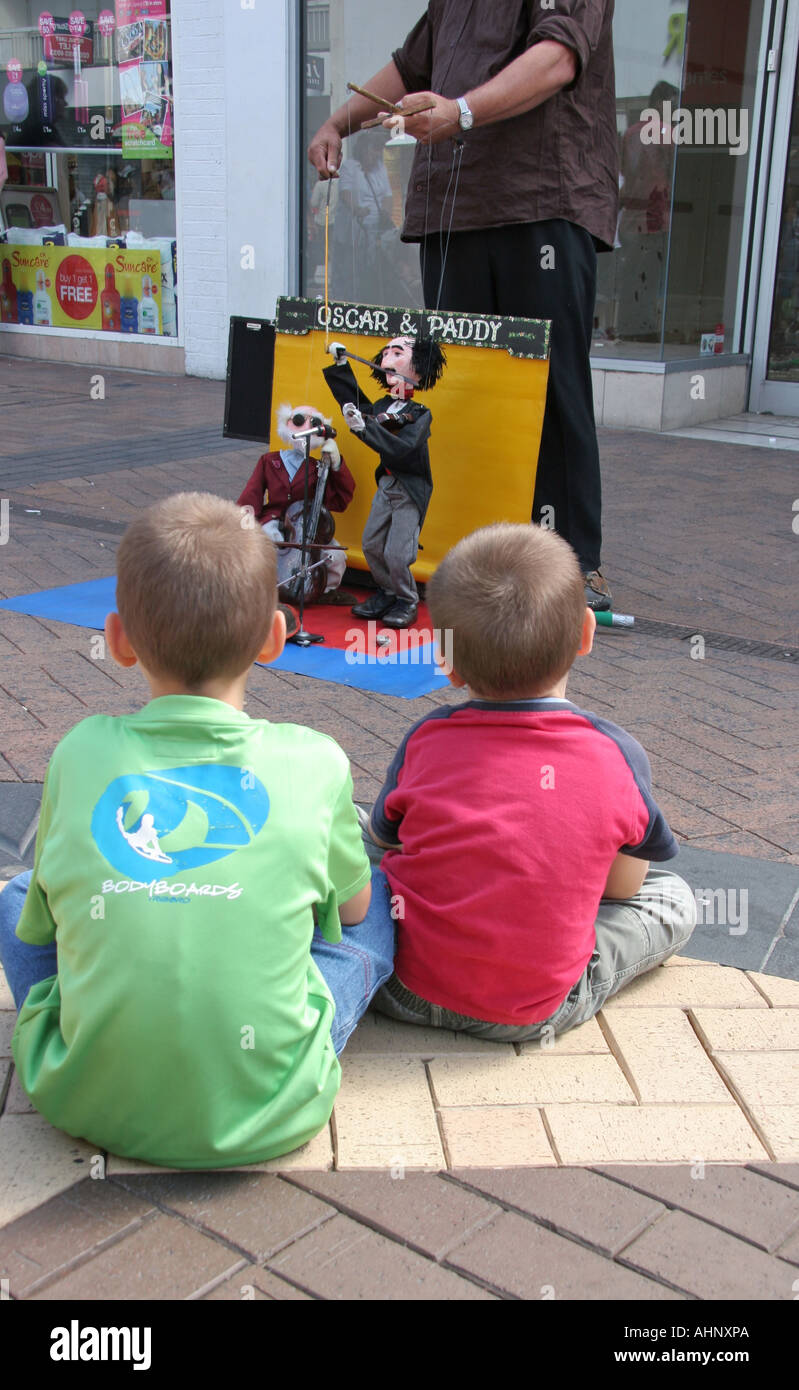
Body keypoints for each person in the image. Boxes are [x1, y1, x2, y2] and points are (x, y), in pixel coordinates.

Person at [0, 493, 396, 1168]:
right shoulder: (315, 760)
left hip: (80, 1098)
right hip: (274, 1108)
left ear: (119, 639)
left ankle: (98, 1026)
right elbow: (352, 916)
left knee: (18, 894)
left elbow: (40, 923)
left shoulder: (79, 750)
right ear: (275, 637)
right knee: (373, 904)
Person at [308, 1, 619, 612]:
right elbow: (407, 65)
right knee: (452, 386)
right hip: (455, 206)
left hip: (543, 199)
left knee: (552, 392)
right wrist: (338, 124)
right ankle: (470, 553)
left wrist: (463, 110)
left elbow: (557, 58)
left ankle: (572, 566)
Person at [365, 523, 696, 1039]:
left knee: (363, 827)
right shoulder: (617, 753)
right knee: (672, 896)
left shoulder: (428, 738)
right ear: (586, 633)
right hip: (534, 1009)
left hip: (403, 989)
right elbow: (623, 888)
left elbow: (385, 843)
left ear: (446, 662)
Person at [323, 333, 446, 628]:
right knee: (371, 544)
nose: (389, 359)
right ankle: (387, 592)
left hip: (410, 489)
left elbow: (401, 449)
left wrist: (364, 429)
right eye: (387, 353)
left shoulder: (419, 414)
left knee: (398, 552)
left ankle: (406, 600)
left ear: (417, 368)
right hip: (387, 485)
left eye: (398, 353)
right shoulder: (382, 406)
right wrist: (341, 365)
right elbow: (356, 403)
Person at [236, 403, 356, 602]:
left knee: (335, 557)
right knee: (268, 543)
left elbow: (340, 500)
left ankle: (324, 590)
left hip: (306, 525)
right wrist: (245, 526)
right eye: (299, 420)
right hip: (274, 519)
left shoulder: (318, 467)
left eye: (314, 423)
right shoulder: (269, 461)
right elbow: (252, 494)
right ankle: (266, 587)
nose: (307, 426)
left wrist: (336, 465)